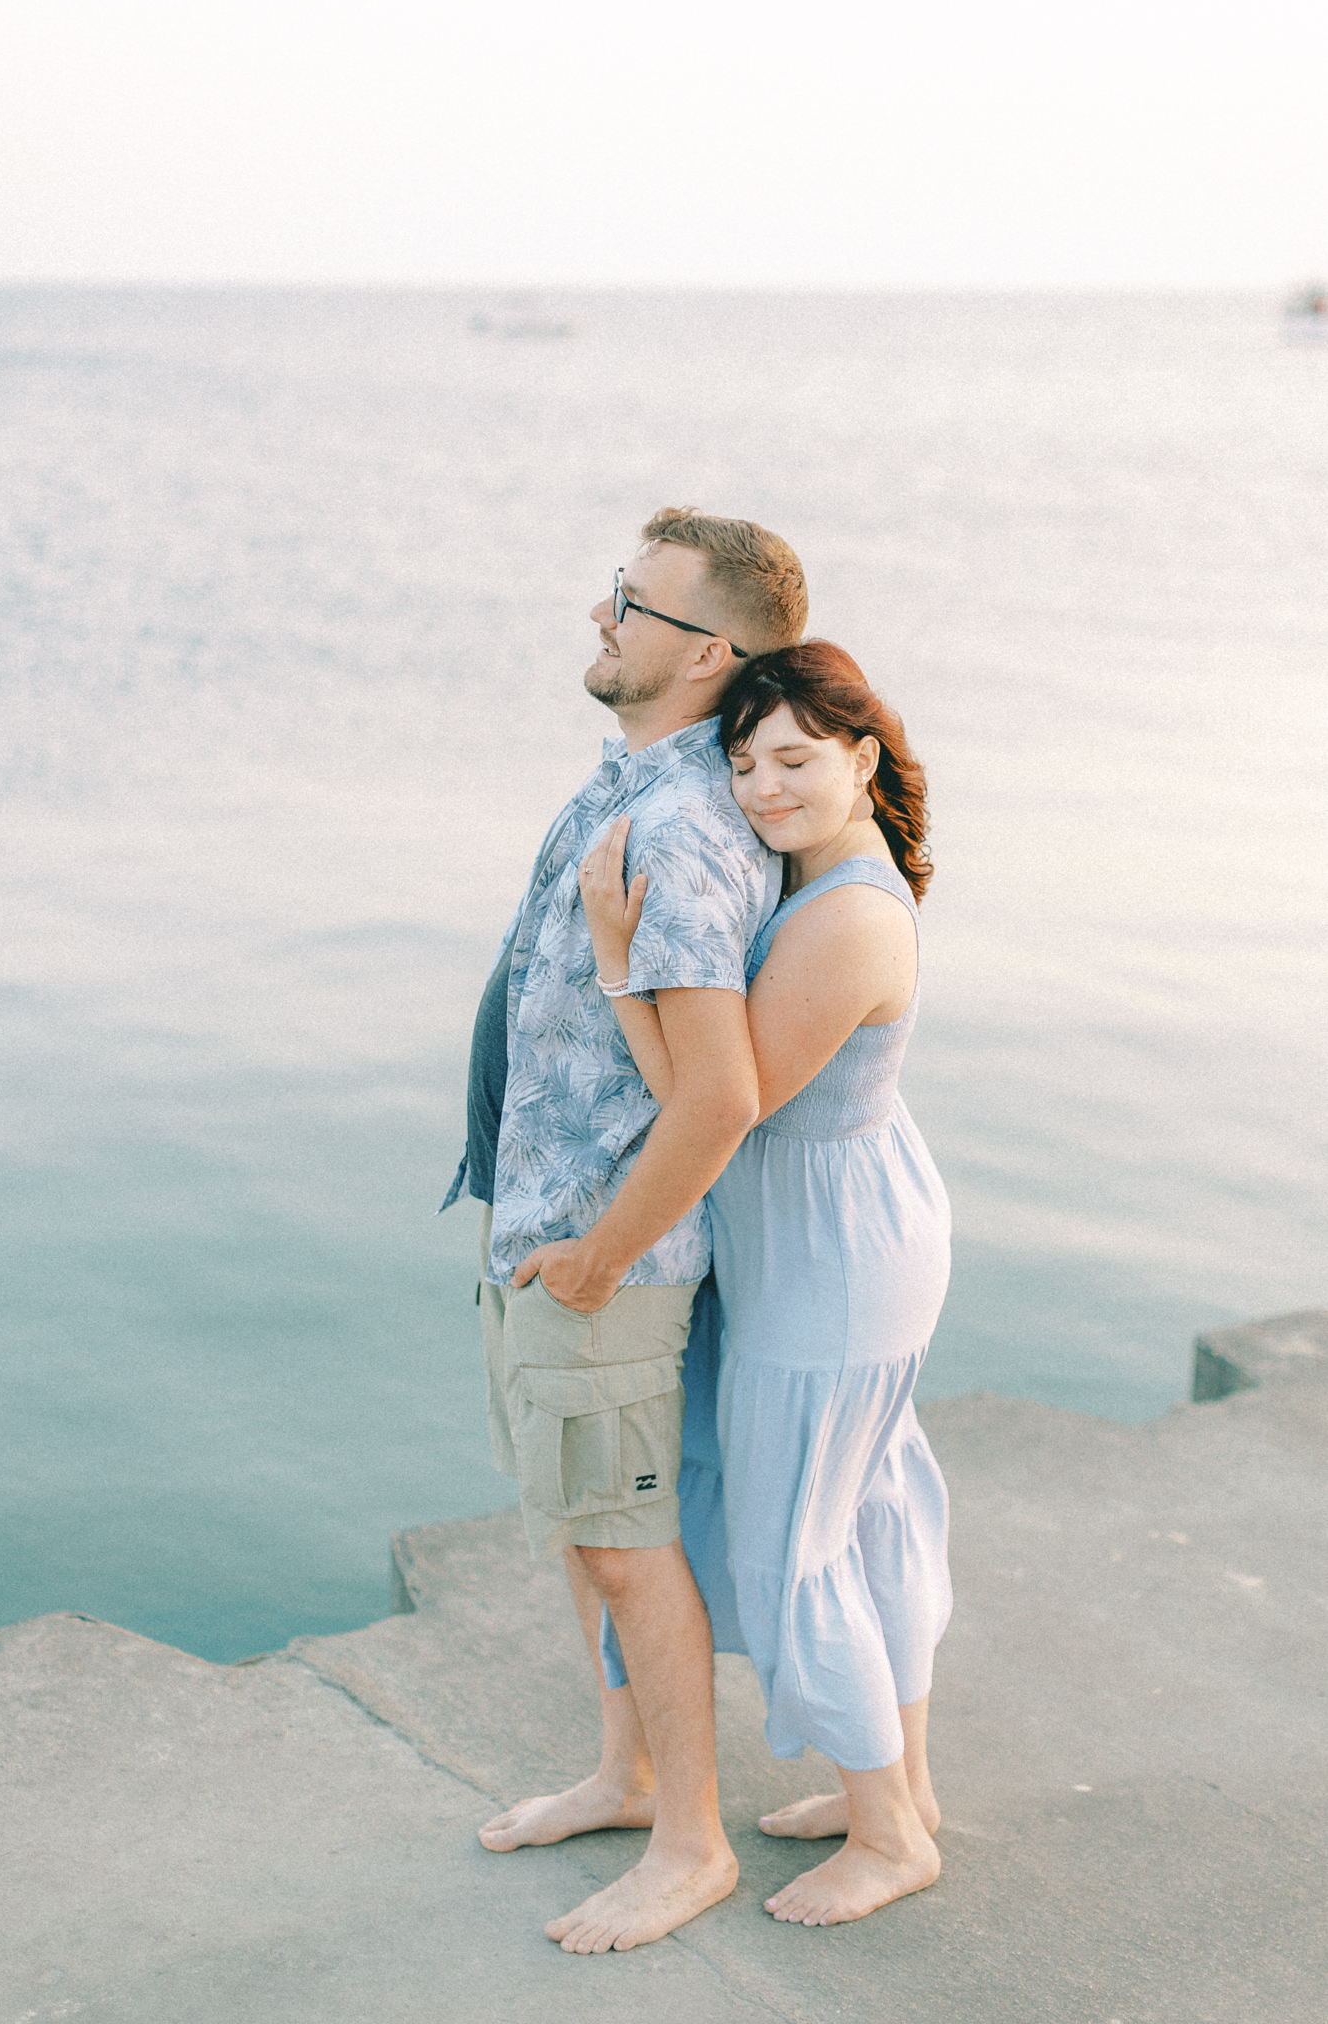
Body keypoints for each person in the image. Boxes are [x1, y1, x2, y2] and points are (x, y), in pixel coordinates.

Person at [441, 507, 809, 1953]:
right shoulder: (626, 779)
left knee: (624, 1541)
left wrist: (597, 1259)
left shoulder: (683, 827)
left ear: (709, 649)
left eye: (629, 603)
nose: (600, 618)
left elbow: (719, 1096)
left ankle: (690, 1842)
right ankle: (622, 1772)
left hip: (605, 1254)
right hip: (534, 1222)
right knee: (580, 1531)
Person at [579, 640, 953, 1930]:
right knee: (873, 1512)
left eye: (794, 758)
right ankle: (895, 1789)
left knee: (801, 1530)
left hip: (831, 1254)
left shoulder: (849, 915)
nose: (762, 788)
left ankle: (894, 1834)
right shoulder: (826, 875)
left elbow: (712, 1102)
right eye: (743, 763)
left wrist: (624, 960)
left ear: (861, 755)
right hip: (839, 1227)